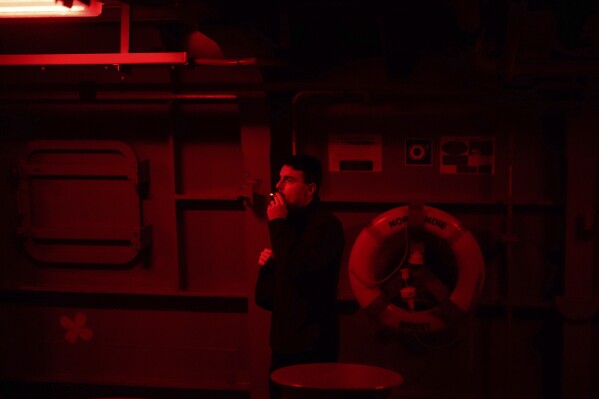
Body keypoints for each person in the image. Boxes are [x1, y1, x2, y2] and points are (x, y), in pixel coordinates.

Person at [255, 154, 345, 399]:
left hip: (313, 345)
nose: (278, 186)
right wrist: (268, 267)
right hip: (284, 343)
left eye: (289, 180)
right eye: (279, 179)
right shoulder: (289, 226)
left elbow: (298, 268)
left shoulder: (325, 227)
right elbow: (265, 299)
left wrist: (276, 225)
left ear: (310, 189)